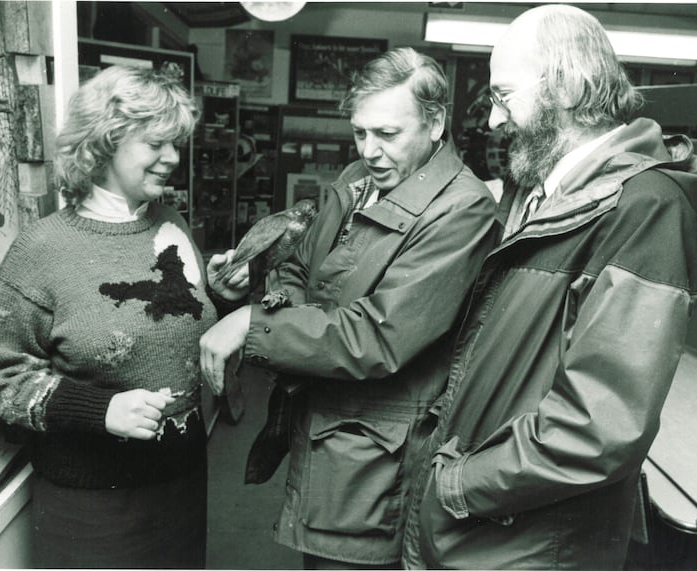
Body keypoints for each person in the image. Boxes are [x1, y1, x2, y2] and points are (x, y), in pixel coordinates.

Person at [402, 5, 697, 570]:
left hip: (532, 542)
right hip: (484, 530)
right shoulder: (542, 191)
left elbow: (599, 425)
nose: (494, 122)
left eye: (502, 96)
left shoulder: (644, 209)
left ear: (566, 86)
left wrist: (460, 485)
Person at [200, 47, 497, 569]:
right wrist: (257, 290)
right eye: (361, 132)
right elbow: (299, 270)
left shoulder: (462, 208)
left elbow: (378, 336)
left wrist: (254, 325)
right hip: (327, 435)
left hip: (376, 463)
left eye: (388, 134)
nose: (371, 150)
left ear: (436, 123)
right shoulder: (356, 180)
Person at [0, 65, 240, 569]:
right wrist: (98, 410)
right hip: (92, 507)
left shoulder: (171, 224)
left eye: (176, 143)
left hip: (181, 483)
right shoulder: (44, 248)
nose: (174, 158)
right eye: (157, 143)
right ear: (106, 140)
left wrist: (220, 301)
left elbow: (168, 325)